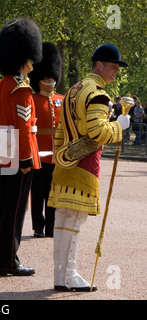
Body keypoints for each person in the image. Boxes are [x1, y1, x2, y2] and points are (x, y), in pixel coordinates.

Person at [48, 43, 130, 292]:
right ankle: (70, 274)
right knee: (75, 219)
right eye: (112, 66)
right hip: (84, 164)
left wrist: (60, 158)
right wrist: (120, 126)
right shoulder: (97, 94)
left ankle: (60, 275)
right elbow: (97, 132)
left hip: (65, 162)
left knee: (63, 218)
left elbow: (61, 131)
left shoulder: (73, 90)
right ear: (98, 65)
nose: (116, 71)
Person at [0, 18, 42, 276]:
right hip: (20, 156)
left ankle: (1, 259)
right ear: (25, 58)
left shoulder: (0, 86)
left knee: (4, 205)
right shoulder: (21, 89)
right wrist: (27, 159)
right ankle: (10, 260)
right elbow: (24, 128)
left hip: (5, 152)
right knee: (16, 208)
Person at [29, 42, 63, 238]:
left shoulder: (61, 98)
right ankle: (38, 225)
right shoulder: (32, 99)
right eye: (46, 74)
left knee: (53, 193)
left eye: (52, 74)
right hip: (38, 152)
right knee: (37, 192)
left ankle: (51, 225)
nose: (50, 78)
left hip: (56, 154)